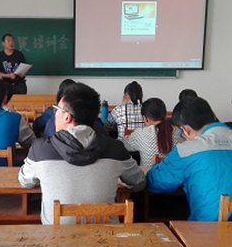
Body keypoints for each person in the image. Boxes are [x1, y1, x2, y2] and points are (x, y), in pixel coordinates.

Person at [18, 82, 145, 225]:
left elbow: (25, 181)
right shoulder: (116, 149)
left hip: (56, 237)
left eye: (56, 110)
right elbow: (139, 182)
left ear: (67, 117)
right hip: (106, 235)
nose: (55, 114)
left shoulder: (40, 150)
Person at [146, 97, 232, 222]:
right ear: (213, 116)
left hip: (208, 233)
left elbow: (155, 182)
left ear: (186, 130)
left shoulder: (186, 150)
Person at [122, 98, 182, 167]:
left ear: (145, 118)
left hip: (148, 173)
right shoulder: (177, 132)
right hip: (173, 173)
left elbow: (125, 145)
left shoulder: (141, 133)